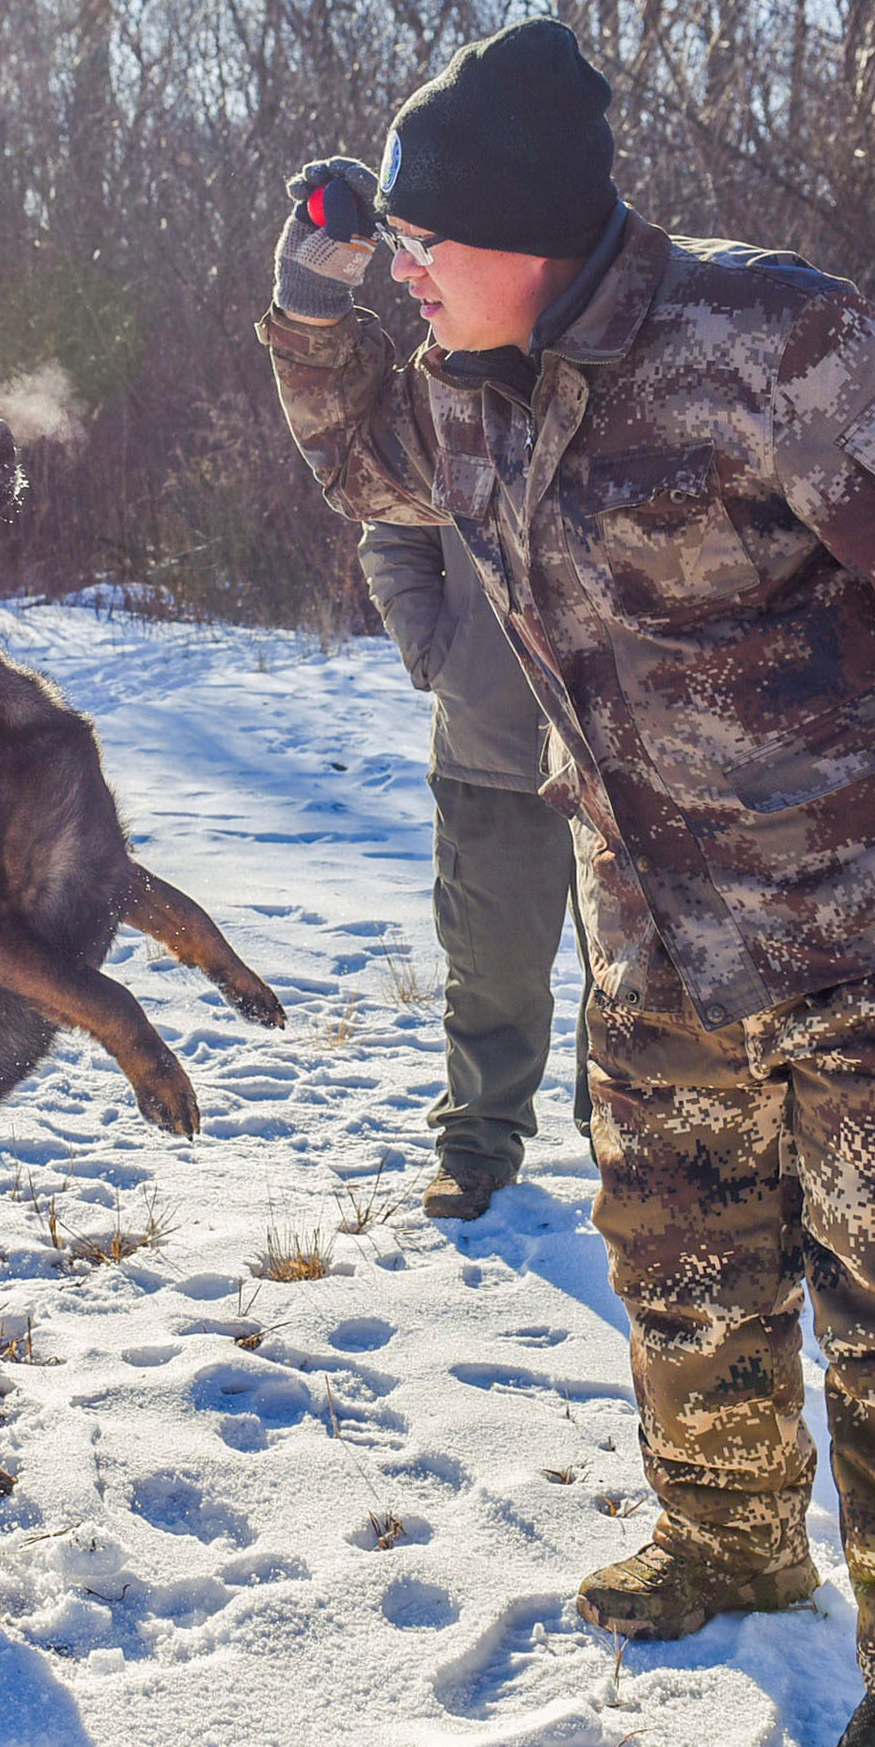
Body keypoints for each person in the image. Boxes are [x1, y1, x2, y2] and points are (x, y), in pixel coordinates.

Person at [260, 18, 875, 1747]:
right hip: (659, 925)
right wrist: (312, 294)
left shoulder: (769, 341)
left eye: (428, 242)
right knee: (682, 1254)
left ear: (530, 229)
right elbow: (364, 473)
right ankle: (730, 1543)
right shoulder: (463, 366)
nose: (406, 273)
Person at [356, 516, 589, 1220]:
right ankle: (477, 1149)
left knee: (645, 977)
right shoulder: (443, 403)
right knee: (492, 967)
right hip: (491, 741)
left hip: (644, 743)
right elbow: (392, 534)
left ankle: (634, 1145)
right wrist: (437, 654)